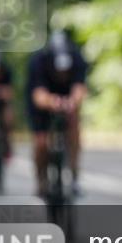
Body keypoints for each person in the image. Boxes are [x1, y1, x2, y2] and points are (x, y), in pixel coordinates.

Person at [27, 29, 88, 198]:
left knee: (74, 126)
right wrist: (52, 102)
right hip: (42, 104)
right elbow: (38, 95)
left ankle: (74, 175)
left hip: (67, 99)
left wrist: (72, 102)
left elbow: (79, 88)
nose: (62, 74)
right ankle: (41, 181)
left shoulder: (76, 58)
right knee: (41, 143)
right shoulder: (39, 61)